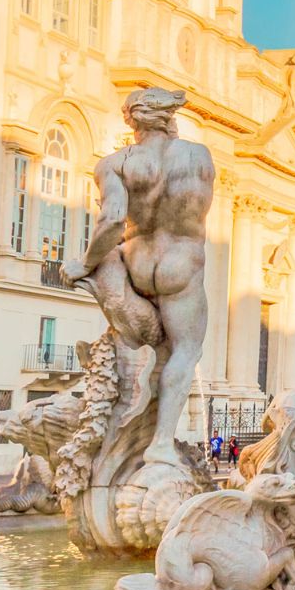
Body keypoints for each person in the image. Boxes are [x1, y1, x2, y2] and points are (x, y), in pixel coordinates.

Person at [61, 87, 216, 470]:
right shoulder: (199, 157)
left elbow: (112, 221)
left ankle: (125, 420)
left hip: (135, 260)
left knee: (142, 342)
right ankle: (160, 443)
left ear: (131, 119)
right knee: (184, 351)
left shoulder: (114, 164)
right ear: (169, 118)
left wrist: (85, 263)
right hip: (181, 262)